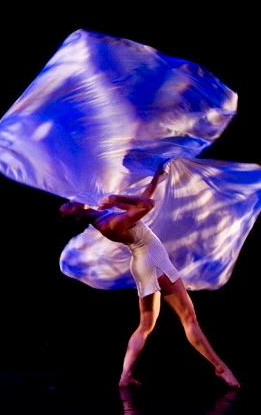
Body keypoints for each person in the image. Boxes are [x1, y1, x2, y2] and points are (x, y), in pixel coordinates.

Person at [59, 162, 240, 389]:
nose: (70, 201)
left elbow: (142, 201)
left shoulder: (101, 213)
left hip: (144, 263)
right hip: (154, 262)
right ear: (76, 215)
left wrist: (156, 177)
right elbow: (148, 205)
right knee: (189, 319)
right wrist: (116, 197)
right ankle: (220, 367)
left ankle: (125, 376)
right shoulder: (109, 222)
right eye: (68, 205)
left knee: (145, 324)